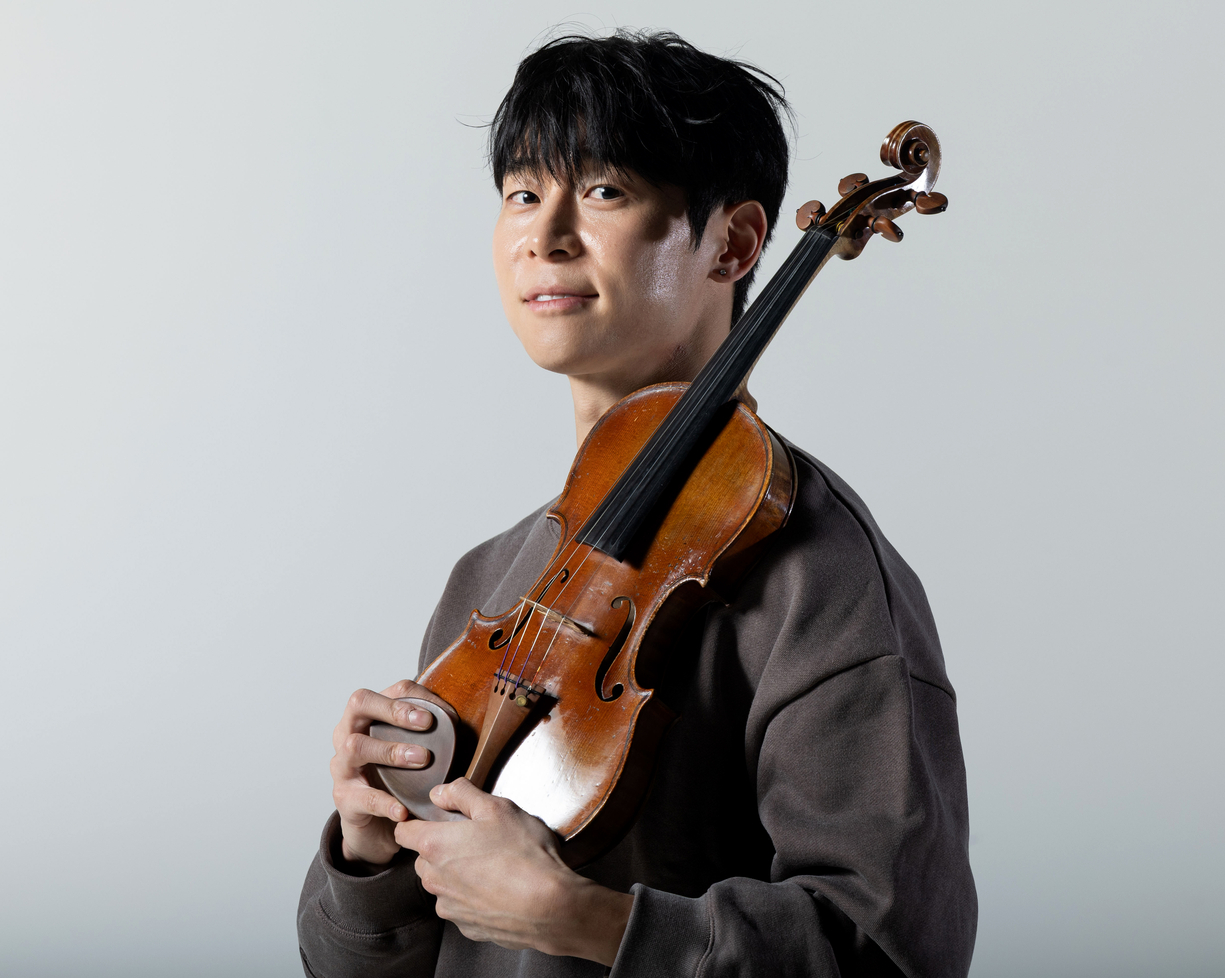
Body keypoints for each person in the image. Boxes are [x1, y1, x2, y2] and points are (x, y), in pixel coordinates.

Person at [297, 29, 977, 978]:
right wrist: (368, 850)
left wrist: (587, 923)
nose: (545, 234)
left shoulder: (818, 571)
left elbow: (895, 952)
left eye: (605, 191)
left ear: (734, 243)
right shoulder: (488, 579)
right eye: (523, 194)